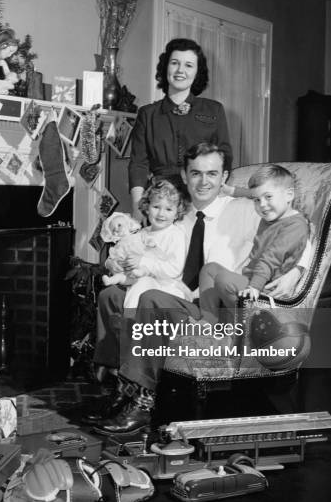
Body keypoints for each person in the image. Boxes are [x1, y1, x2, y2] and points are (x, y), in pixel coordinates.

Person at [90, 142, 308, 434]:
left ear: (224, 176)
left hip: (218, 309)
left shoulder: (247, 209)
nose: (204, 182)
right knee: (112, 296)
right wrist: (123, 265)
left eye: (212, 173)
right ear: (184, 175)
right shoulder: (176, 213)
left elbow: (300, 222)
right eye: (196, 173)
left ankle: (143, 404)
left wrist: (299, 269)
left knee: (153, 299)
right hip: (183, 296)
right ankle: (120, 392)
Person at [128, 38, 232, 222]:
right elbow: (138, 164)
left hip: (201, 197)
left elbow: (224, 156)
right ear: (165, 67)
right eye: (174, 63)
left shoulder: (214, 110)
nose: (180, 70)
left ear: (197, 72)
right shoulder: (147, 114)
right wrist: (138, 208)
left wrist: (213, 194)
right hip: (161, 202)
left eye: (189, 65)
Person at [198, 164, 309, 324]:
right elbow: (253, 193)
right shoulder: (272, 213)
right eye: (257, 200)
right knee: (209, 269)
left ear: (289, 195)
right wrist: (232, 191)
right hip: (249, 280)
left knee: (223, 279)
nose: (262, 204)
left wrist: (255, 287)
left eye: (268, 197)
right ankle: (207, 324)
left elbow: (271, 258)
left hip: (264, 289)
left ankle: (248, 323)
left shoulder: (294, 225)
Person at [101, 181, 192, 310]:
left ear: (177, 213)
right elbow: (124, 249)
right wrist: (113, 263)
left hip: (168, 286)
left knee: (142, 285)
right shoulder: (142, 233)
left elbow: (174, 269)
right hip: (139, 279)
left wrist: (142, 261)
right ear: (147, 208)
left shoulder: (176, 235)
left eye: (168, 209)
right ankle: (126, 319)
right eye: (156, 207)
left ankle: (130, 319)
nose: (161, 214)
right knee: (111, 293)